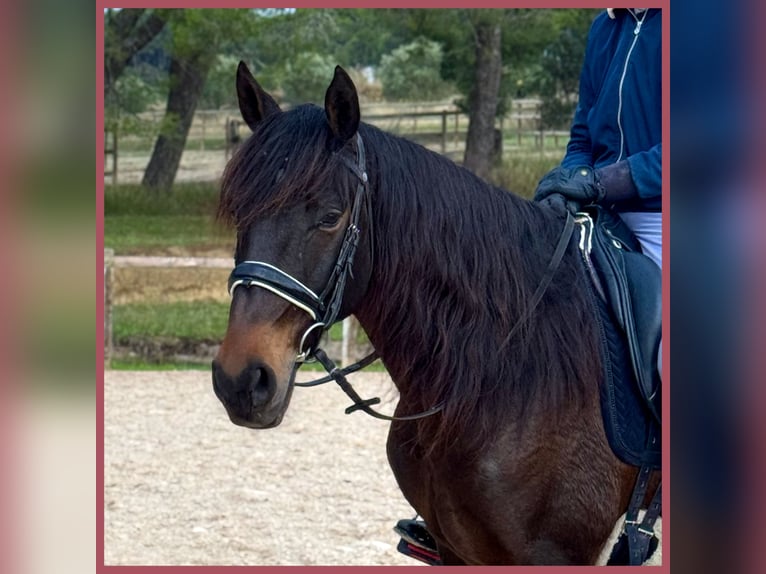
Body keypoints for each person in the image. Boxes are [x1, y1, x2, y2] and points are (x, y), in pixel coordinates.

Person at [394, 9, 662, 561]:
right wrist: (566, 180)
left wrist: (601, 179)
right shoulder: (607, 25)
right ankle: (456, 506)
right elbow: (586, 128)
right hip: (603, 207)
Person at [534, 8, 662, 270]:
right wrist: (571, 182)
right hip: (600, 213)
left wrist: (603, 182)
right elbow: (582, 138)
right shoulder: (602, 28)